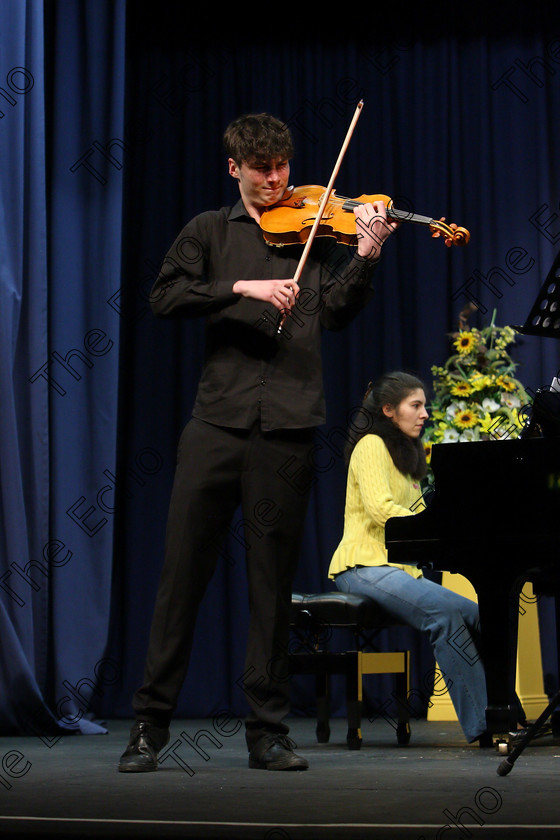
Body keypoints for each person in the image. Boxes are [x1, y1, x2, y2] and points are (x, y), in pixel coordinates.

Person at [118, 112, 398, 773]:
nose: (275, 181)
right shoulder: (209, 232)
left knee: (271, 587)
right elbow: (164, 296)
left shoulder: (317, 224)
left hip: (289, 428)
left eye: (282, 168)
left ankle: (267, 733)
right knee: (180, 579)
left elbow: (333, 312)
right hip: (216, 426)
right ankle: (147, 729)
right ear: (234, 168)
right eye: (261, 169)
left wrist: (364, 254)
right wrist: (241, 287)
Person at [328, 371, 493, 745]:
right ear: (389, 410)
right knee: (445, 614)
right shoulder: (371, 444)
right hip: (362, 565)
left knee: (480, 616)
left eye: (424, 405)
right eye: (415, 406)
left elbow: (418, 511)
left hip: (397, 569)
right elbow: (381, 510)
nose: (424, 414)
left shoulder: (407, 452)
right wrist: (433, 523)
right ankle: (485, 725)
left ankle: (506, 712)